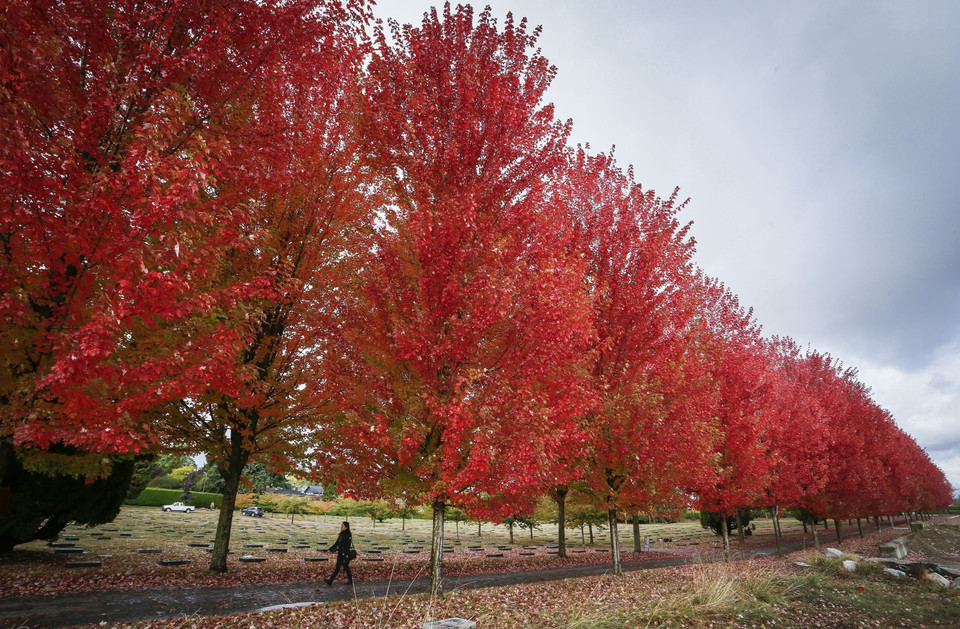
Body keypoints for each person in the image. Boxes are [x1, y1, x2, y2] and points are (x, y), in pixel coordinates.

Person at [324, 521, 353, 585]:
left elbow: (345, 545)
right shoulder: (341, 534)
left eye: (342, 526)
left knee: (340, 567)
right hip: (341, 553)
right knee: (344, 567)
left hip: (344, 554)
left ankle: (330, 581)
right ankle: (350, 580)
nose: (341, 527)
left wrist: (346, 554)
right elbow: (337, 543)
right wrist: (330, 549)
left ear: (346, 527)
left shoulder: (347, 534)